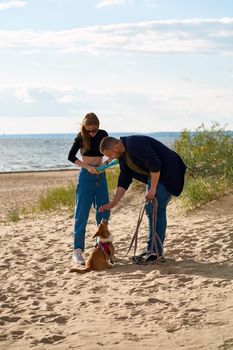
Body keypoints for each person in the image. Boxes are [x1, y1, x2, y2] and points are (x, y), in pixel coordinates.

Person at [98, 135, 187, 263]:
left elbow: (155, 164)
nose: (110, 158)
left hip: (168, 173)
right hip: (156, 176)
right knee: (151, 211)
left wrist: (153, 189)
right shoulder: (123, 156)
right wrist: (113, 203)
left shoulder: (134, 144)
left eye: (110, 154)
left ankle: (156, 252)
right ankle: (152, 250)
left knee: (157, 210)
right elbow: (124, 179)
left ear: (116, 147)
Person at [68, 113, 110, 265]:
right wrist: (87, 167)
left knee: (103, 212)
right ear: (85, 128)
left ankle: (101, 247)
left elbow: (111, 152)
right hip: (86, 175)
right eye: (89, 130)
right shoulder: (81, 136)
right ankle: (78, 251)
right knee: (82, 212)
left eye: (94, 130)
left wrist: (107, 162)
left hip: (101, 174)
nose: (92, 133)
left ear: (98, 126)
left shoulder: (103, 134)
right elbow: (71, 156)